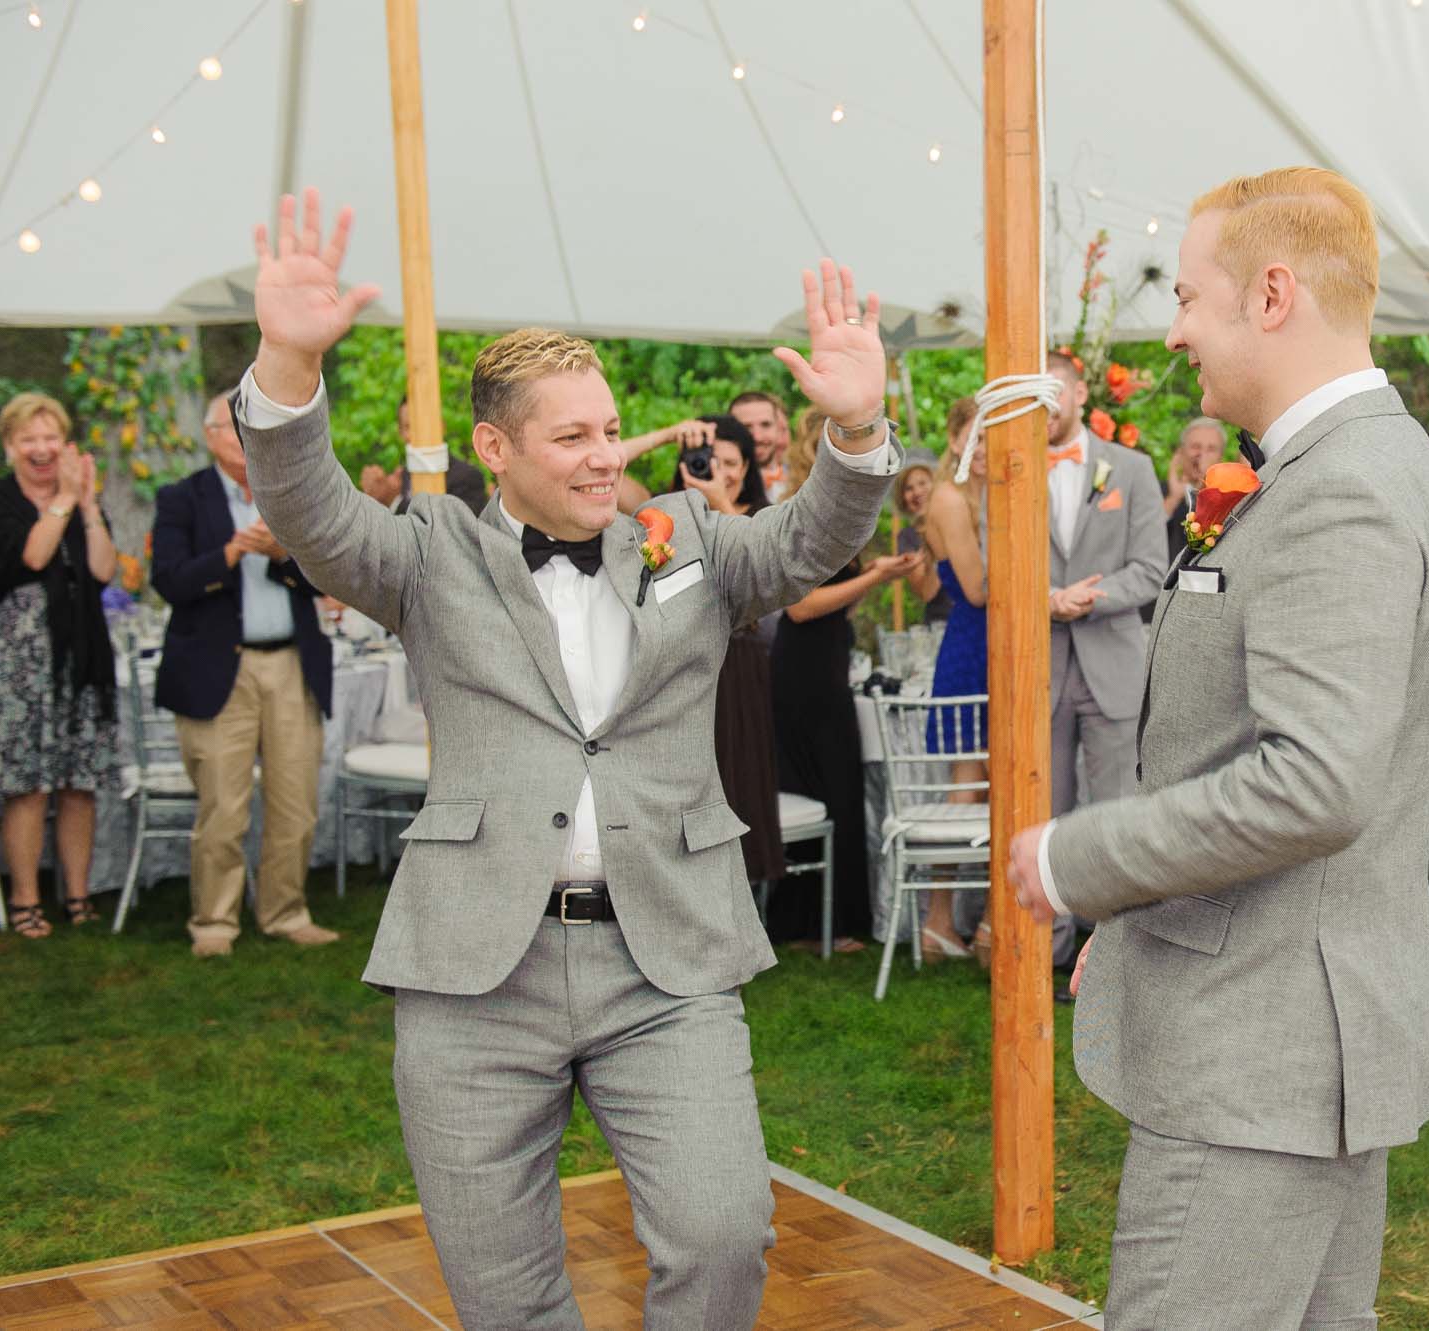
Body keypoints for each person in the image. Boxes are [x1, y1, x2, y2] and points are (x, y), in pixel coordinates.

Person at [236, 190, 899, 1329]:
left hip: (668, 963)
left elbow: (809, 541)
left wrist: (851, 433)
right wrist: (288, 368)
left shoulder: (684, 539)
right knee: (505, 1292)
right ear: (496, 446)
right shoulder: (428, 555)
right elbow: (311, 511)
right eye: (574, 436)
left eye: (608, 428)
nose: (608, 456)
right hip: (474, 974)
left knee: (722, 1234)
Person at [1009, 166, 1429, 1327]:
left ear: (1271, 295)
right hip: (1302, 1024)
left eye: (1190, 297)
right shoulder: (1353, 461)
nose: (1172, 332)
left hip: (1262, 1052)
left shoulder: (1343, 489)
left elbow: (1314, 781)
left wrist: (1082, 860)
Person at [149, 398, 338, 956]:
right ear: (211, 437)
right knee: (223, 806)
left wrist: (282, 556)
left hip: (290, 663)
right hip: (218, 669)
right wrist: (232, 552)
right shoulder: (183, 498)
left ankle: (285, 911)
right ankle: (214, 922)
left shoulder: (290, 493)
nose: (246, 437)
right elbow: (169, 581)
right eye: (235, 429)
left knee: (294, 800)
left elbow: (329, 572)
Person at [0, 393, 118, 938]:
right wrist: (61, 503)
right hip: (19, 665)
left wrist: (88, 508)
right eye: (28, 439)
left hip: (81, 660)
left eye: (50, 437)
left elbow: (103, 572)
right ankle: (27, 898)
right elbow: (33, 557)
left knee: (79, 783)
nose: (41, 449)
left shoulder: (80, 500)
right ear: (10, 447)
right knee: (27, 787)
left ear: (66, 443)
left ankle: (77, 895)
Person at [771, 408, 920, 952]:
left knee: (837, 783)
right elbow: (802, 608)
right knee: (822, 784)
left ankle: (830, 919)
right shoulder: (803, 514)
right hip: (804, 667)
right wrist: (875, 577)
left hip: (825, 661)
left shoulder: (833, 515)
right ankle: (807, 925)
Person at [1040, 350, 1167, 973]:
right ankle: (1049, 951)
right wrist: (1044, 601)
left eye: (1053, 389)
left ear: (1078, 390)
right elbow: (992, 570)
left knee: (1116, 810)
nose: (1045, 405)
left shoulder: (1133, 469)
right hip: (1037, 670)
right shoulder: (1009, 474)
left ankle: (1113, 953)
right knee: (1047, 813)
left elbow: (1150, 567)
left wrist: (1088, 598)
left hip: (1112, 662)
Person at [664, 415, 784, 897]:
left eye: (731, 463)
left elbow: (762, 572)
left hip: (739, 665)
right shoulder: (666, 513)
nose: (722, 471)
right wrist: (663, 437)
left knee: (739, 781)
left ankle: (742, 900)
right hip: (684, 664)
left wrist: (720, 502)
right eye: (712, 462)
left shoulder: (757, 513)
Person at [915, 398, 989, 961]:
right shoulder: (947, 495)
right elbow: (978, 588)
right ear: (957, 439)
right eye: (978, 436)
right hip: (971, 644)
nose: (986, 448)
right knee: (968, 786)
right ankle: (940, 918)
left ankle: (986, 921)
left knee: (994, 785)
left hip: (994, 645)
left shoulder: (982, 492)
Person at [358, 397, 490, 514]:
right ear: (401, 433)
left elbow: (448, 532)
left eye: (421, 425)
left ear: (441, 427)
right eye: (408, 427)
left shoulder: (467, 478)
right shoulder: (401, 478)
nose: (415, 433)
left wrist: (394, 501)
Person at [893, 454, 950, 622]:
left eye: (923, 483)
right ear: (903, 498)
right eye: (909, 488)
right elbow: (926, 592)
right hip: (939, 621)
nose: (917, 492)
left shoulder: (960, 520)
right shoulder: (907, 538)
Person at [1161, 415, 1225, 565]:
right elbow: (1144, 535)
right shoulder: (1160, 491)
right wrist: (1173, 498)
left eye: (1211, 449)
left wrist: (1206, 486)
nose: (1201, 455)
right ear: (1181, 453)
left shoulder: (1226, 499)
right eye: (1196, 447)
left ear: (1220, 458)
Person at [729, 390, 792, 499]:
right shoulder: (717, 482)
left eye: (765, 425)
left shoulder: (803, 479)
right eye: (746, 427)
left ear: (778, 429)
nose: (757, 437)